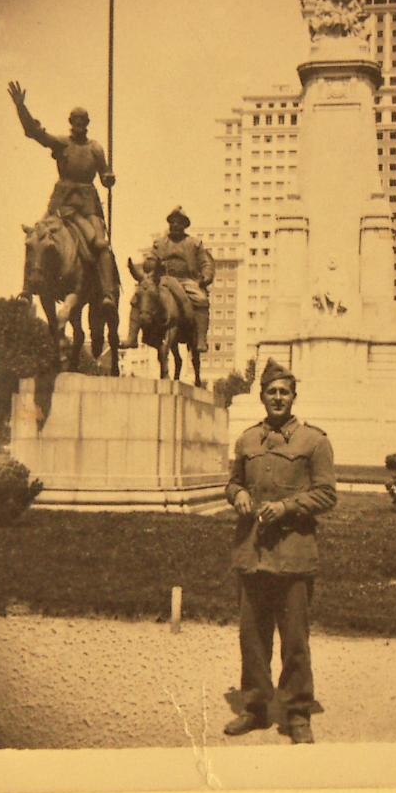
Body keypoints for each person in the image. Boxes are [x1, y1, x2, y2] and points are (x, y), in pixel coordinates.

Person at [224, 358, 337, 744]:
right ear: (262, 396)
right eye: (271, 391)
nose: (277, 397)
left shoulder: (315, 441)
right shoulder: (246, 439)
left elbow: (326, 494)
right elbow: (233, 483)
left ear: (293, 396)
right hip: (252, 554)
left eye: (284, 392)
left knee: (294, 640)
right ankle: (255, 707)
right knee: (252, 637)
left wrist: (287, 507)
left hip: (293, 554)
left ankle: (297, 713)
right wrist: (237, 494)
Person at [7, 80, 117, 315]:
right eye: (75, 121)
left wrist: (108, 178)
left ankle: (107, 292)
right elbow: (35, 132)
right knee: (35, 236)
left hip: (87, 205)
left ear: (87, 124)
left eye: (83, 121)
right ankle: (27, 288)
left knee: (100, 244)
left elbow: (104, 172)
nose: (78, 125)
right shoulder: (62, 143)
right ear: (71, 123)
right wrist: (21, 108)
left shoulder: (95, 148)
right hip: (61, 202)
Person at [140, 206, 214, 352]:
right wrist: (152, 263)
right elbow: (149, 260)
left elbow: (205, 262)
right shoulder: (160, 243)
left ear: (184, 225)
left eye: (178, 222)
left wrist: (205, 276)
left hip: (186, 280)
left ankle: (200, 338)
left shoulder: (194, 243)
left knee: (201, 299)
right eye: (172, 222)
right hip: (163, 279)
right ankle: (137, 334)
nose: (175, 225)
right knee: (142, 294)